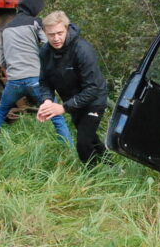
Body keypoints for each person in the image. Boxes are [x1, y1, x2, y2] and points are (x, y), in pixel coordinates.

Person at [0, 0, 74, 151]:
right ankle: (70, 150)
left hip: (14, 82)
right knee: (56, 116)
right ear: (34, 8)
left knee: (1, 112)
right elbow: (48, 45)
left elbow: (2, 61)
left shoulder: (6, 30)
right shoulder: (35, 23)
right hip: (36, 80)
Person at [36, 11, 109, 164]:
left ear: (67, 29)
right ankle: (112, 168)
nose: (56, 38)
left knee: (83, 143)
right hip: (72, 100)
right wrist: (47, 100)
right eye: (51, 35)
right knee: (90, 137)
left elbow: (93, 88)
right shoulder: (44, 52)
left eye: (59, 33)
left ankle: (92, 179)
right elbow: (45, 82)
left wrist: (63, 108)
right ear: (45, 33)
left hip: (94, 99)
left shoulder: (82, 50)